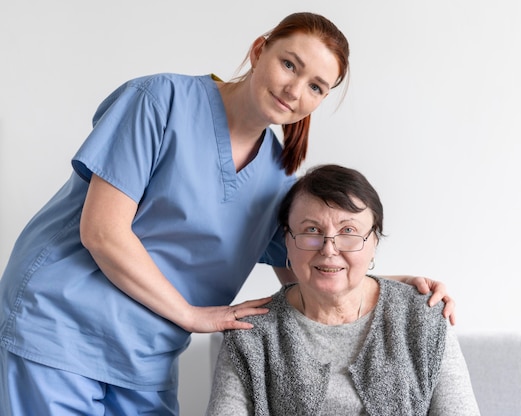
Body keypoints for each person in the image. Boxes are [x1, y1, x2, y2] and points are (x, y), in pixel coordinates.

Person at [0, 12, 455, 415]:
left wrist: (399, 287)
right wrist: (192, 315)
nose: (294, 90)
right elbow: (102, 231)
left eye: (316, 86)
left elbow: (308, 274)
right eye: (289, 64)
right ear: (260, 50)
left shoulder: (278, 180)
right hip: (57, 327)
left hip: (146, 357)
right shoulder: (160, 100)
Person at [206, 164, 479, 416]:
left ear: (374, 240)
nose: (329, 248)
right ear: (286, 241)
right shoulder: (250, 335)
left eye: (348, 230)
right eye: (311, 230)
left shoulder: (424, 317)